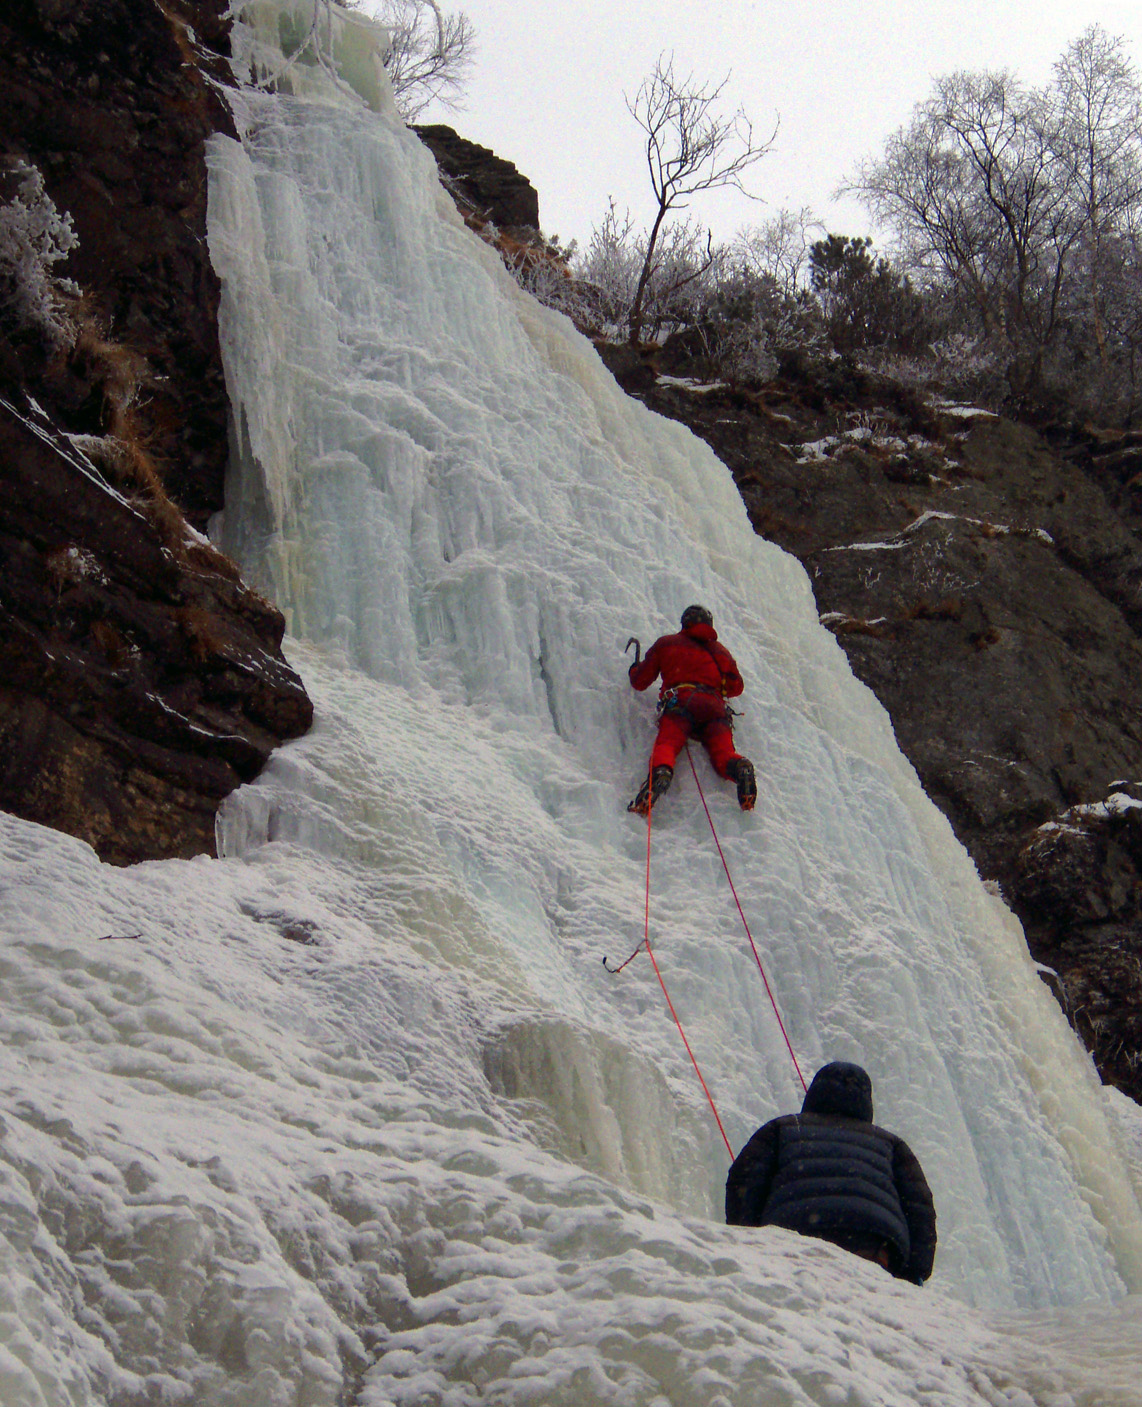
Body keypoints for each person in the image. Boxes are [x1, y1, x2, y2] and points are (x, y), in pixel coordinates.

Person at [725, 1061, 936, 1284]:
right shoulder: (892, 1144)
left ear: (815, 1093)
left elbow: (745, 1180)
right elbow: (919, 1207)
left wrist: (748, 1236)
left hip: (793, 1236)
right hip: (871, 1247)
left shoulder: (782, 1128)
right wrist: (913, 1272)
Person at [627, 604, 756, 815]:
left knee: (668, 743)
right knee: (723, 753)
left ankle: (660, 774)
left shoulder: (667, 643)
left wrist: (634, 669)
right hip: (715, 709)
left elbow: (640, 681)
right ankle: (740, 767)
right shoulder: (721, 652)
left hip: (682, 702)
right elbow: (736, 687)